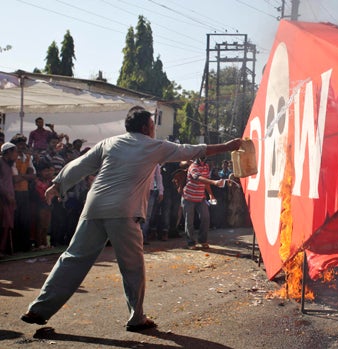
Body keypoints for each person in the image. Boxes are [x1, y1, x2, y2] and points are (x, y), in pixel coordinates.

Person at [20, 106, 241, 331]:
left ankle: (38, 309)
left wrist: (56, 185)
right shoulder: (154, 145)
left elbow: (81, 164)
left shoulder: (109, 143)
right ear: (146, 127)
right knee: (132, 267)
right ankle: (136, 318)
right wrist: (228, 146)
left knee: (72, 259)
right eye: (153, 126)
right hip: (124, 211)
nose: (154, 130)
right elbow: (190, 150)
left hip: (94, 208)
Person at [182, 155, 223, 249]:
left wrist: (211, 195)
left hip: (201, 197)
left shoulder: (206, 166)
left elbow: (206, 182)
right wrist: (214, 182)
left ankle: (202, 240)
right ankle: (191, 243)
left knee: (206, 218)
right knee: (189, 221)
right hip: (188, 197)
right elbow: (199, 178)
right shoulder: (193, 166)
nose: (203, 157)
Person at [11, 134, 36, 252]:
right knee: (16, 219)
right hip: (14, 192)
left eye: (23, 144)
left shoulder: (27, 157)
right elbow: (15, 178)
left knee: (25, 218)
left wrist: (23, 176)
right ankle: (16, 246)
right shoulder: (12, 158)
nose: (22, 146)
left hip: (25, 192)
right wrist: (27, 176)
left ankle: (25, 246)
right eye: (19, 144)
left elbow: (33, 175)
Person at [0, 142, 18, 257]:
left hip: (8, 199)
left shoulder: (9, 164)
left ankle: (3, 250)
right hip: (2, 198)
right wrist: (7, 195)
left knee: (6, 225)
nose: (16, 155)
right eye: (14, 152)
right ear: (8, 152)